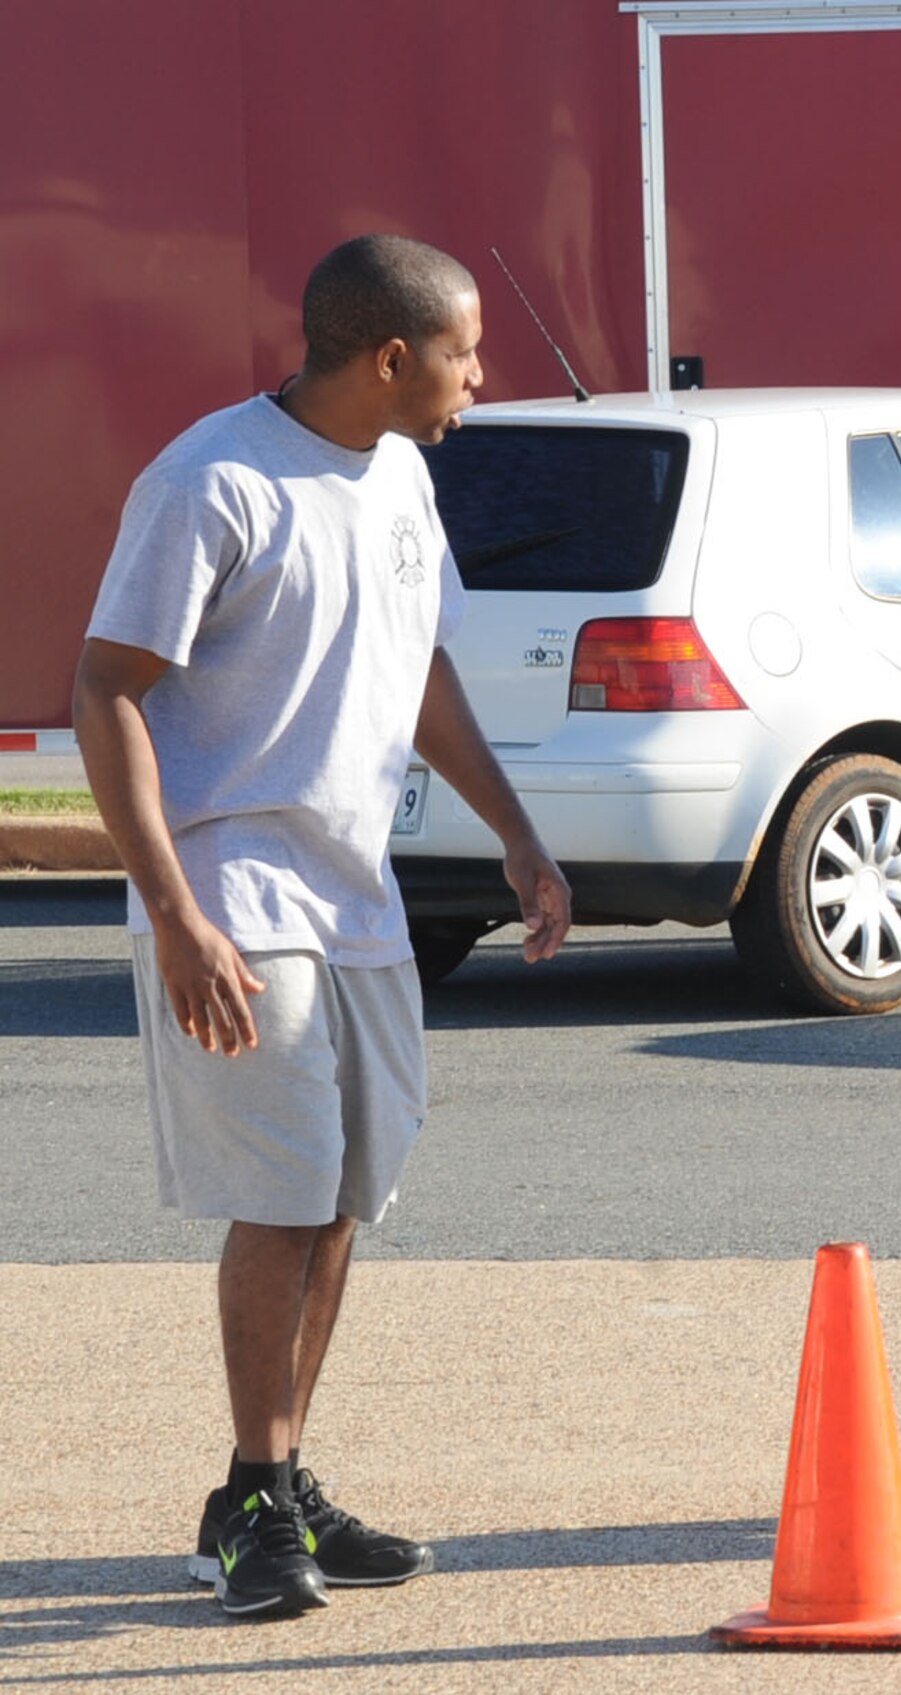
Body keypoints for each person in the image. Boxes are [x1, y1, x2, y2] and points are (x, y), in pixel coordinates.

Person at [73, 233, 571, 1619]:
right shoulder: (210, 482)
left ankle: (274, 1489)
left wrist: (521, 837)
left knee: (348, 1196)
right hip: (233, 888)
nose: (486, 375)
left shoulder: (403, 474)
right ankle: (250, 1494)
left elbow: (421, 673)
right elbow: (105, 690)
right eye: (469, 352)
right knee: (284, 1201)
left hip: (356, 895)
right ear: (393, 357)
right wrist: (174, 914)